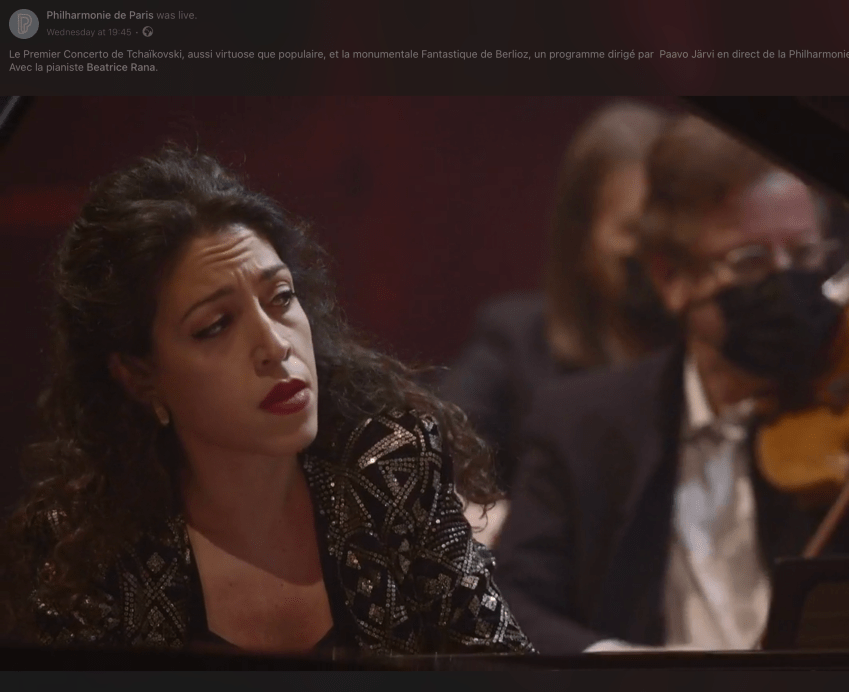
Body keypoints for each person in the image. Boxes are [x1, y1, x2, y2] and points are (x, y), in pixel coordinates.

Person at [494, 114, 849, 654]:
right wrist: (625, 667)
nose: (787, 280)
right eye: (750, 261)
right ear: (671, 278)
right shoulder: (581, 425)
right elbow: (509, 603)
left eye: (803, 254)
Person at [0, 147, 534, 656]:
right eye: (215, 325)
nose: (275, 345)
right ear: (140, 376)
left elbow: (504, 687)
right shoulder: (79, 553)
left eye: (280, 297)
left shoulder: (394, 468)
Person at [440, 101, 677, 544]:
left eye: (667, 231)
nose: (655, 254)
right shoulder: (516, 341)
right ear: (581, 238)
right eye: (633, 232)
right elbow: (437, 448)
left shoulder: (708, 347)